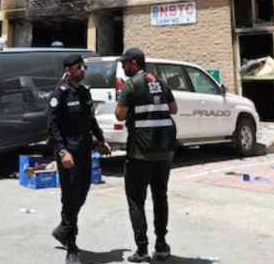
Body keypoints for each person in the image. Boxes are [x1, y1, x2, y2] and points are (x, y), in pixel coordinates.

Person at [115, 48, 178, 262]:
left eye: (125, 63)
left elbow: (120, 114)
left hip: (140, 153)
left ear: (134, 63)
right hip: (165, 150)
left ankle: (142, 249)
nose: (123, 67)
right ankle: (161, 244)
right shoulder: (161, 81)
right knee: (160, 197)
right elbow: (174, 108)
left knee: (136, 200)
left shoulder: (132, 85)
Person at [47, 54, 111, 263]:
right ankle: (71, 246)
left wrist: (101, 140)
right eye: (78, 67)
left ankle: (63, 228)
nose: (83, 69)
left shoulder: (84, 93)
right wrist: (62, 151)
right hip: (68, 154)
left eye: (83, 66)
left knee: (81, 194)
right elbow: (52, 125)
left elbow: (90, 120)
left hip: (84, 151)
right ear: (68, 70)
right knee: (71, 197)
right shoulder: (61, 93)